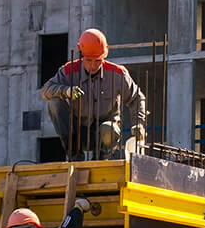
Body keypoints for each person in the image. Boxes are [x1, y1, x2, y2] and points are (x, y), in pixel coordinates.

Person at [40, 28, 147, 160]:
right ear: (81, 55)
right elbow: (46, 90)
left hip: (106, 133)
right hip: (78, 133)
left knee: (109, 128)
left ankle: (101, 159)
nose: (93, 65)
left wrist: (139, 123)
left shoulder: (117, 74)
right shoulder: (69, 70)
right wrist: (66, 91)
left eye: (98, 61)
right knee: (54, 103)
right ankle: (74, 156)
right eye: (89, 60)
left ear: (104, 56)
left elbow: (137, 98)